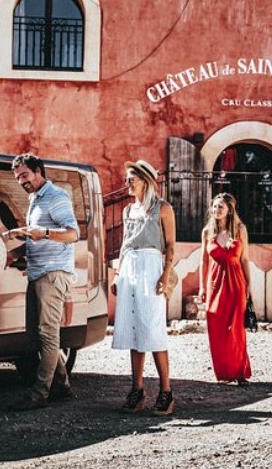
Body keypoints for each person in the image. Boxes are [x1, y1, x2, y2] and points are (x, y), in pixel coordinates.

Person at [5, 153, 79, 411]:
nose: (21, 181)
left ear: (38, 171)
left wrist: (45, 232)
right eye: (17, 178)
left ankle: (39, 394)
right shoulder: (35, 199)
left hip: (53, 273)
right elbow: (35, 239)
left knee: (47, 335)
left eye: (24, 175)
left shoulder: (56, 197)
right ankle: (63, 386)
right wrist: (14, 254)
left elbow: (72, 234)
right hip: (37, 272)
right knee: (35, 336)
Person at [112, 160, 177, 416]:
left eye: (131, 179)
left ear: (145, 181)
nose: (127, 183)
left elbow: (170, 244)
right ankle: (137, 389)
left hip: (151, 266)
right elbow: (125, 245)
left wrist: (166, 273)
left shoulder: (163, 208)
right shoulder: (128, 211)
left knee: (153, 326)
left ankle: (166, 391)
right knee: (132, 327)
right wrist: (118, 274)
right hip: (129, 267)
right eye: (127, 179)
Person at [199, 192, 252, 385]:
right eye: (214, 206)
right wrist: (201, 287)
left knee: (236, 329)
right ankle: (223, 372)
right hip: (214, 285)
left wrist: (249, 286)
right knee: (217, 328)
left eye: (220, 207)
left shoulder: (240, 230)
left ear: (230, 209)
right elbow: (203, 262)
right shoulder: (207, 232)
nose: (216, 210)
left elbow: (245, 259)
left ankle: (239, 373)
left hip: (236, 283)